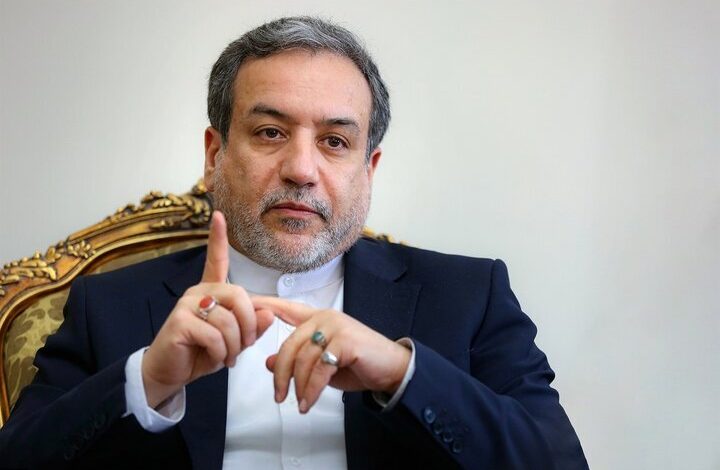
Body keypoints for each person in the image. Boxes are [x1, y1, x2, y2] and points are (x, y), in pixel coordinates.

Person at [0, 16, 588, 469]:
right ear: (214, 155)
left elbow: (558, 462)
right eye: (270, 132)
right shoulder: (108, 305)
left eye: (335, 142)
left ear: (369, 170)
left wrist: (400, 372)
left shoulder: (468, 296)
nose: (301, 169)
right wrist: (148, 380)